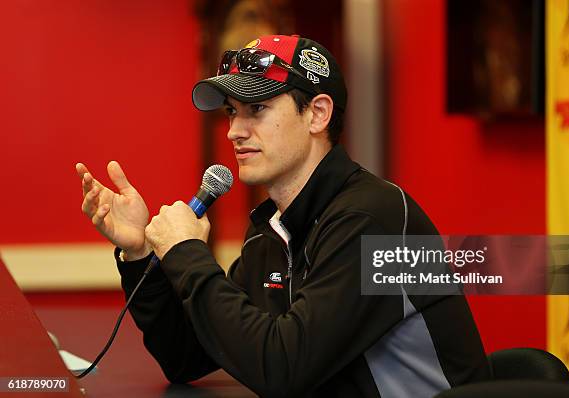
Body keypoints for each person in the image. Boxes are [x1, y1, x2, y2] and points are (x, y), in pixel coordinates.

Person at [76, 35, 490, 397]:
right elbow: (185, 358)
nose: (234, 131)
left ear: (317, 114)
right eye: (232, 112)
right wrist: (139, 255)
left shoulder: (370, 221)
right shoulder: (272, 232)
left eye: (256, 109)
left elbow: (283, 370)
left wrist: (186, 253)